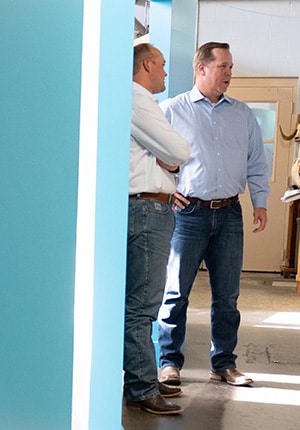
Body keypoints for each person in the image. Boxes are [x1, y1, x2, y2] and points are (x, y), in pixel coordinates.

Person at [157, 41, 270, 387]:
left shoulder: (243, 114)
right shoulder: (172, 110)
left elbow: (256, 161)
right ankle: (169, 363)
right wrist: (165, 188)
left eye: (231, 67)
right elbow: (147, 153)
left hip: (230, 214)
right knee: (176, 292)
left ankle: (223, 364)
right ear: (201, 68)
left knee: (228, 296)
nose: (229, 74)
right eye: (223, 67)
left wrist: (260, 201)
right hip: (188, 213)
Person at [125, 43, 190, 415]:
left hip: (149, 207)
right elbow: (179, 152)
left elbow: (170, 158)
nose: (166, 73)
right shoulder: (138, 98)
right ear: (146, 64)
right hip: (148, 210)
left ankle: (141, 380)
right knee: (142, 308)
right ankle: (141, 388)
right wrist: (168, 159)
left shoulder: (135, 100)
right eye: (162, 65)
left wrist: (166, 160)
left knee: (139, 306)